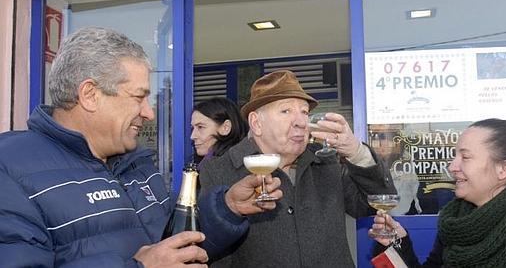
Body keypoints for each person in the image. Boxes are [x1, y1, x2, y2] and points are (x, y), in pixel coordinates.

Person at [0, 27, 282, 267]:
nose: (149, 113)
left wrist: (228, 207)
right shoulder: (10, 168)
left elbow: (176, 242)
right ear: (90, 95)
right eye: (139, 97)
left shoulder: (136, 163)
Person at [200, 69, 396, 267]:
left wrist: (356, 151)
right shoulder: (217, 170)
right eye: (286, 111)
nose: (301, 122)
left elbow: (373, 203)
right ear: (256, 123)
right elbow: (208, 248)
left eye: (304, 112)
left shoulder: (326, 162)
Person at [371, 118, 506, 268]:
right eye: (454, 156)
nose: (452, 166)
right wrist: (396, 244)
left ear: (504, 168)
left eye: (465, 157)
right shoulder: (457, 224)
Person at [191, 97, 248, 168]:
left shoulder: (219, 169)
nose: (193, 136)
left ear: (225, 128)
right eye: (192, 128)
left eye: (200, 127)